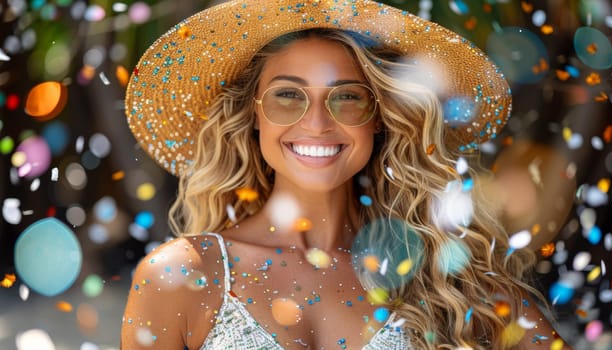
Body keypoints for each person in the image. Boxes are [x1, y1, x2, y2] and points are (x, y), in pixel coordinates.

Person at [121, 1, 571, 349]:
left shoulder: (446, 278)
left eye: (348, 97)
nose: (316, 123)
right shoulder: (180, 276)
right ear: (253, 113)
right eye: (287, 96)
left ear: (380, 116)